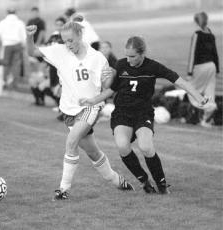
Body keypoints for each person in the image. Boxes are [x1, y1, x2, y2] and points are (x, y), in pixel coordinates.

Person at [80, 36, 213, 194]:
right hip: (122, 112)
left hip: (143, 113)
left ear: (142, 53)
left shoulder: (153, 67)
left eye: (133, 56)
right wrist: (92, 100)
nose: (128, 60)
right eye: (127, 55)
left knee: (146, 147)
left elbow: (180, 82)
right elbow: (111, 90)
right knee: (123, 147)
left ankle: (162, 184)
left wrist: (199, 97)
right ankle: (144, 181)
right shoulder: (121, 64)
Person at [26, 22, 134, 200]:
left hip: (90, 108)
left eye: (71, 40)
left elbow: (108, 87)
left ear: (80, 36)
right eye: (65, 41)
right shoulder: (60, 51)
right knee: (93, 152)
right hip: (69, 110)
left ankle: (63, 189)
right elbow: (32, 52)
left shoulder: (97, 58)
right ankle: (117, 180)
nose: (68, 44)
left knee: (71, 142)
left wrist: (110, 76)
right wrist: (29, 36)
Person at [187, 11, 219, 128]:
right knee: (209, 93)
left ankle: (207, 109)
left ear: (196, 21)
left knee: (192, 91)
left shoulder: (197, 34)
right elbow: (215, 53)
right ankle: (206, 119)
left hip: (201, 67)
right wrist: (218, 70)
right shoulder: (210, 34)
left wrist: (189, 73)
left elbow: (192, 54)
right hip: (212, 66)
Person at [0, 8, 26, 88]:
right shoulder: (20, 22)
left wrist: (3, 38)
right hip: (17, 45)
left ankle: (4, 81)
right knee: (16, 65)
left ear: (7, 13)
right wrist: (23, 45)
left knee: (6, 64)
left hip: (7, 45)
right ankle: (14, 83)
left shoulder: (3, 22)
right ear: (15, 13)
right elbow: (24, 36)